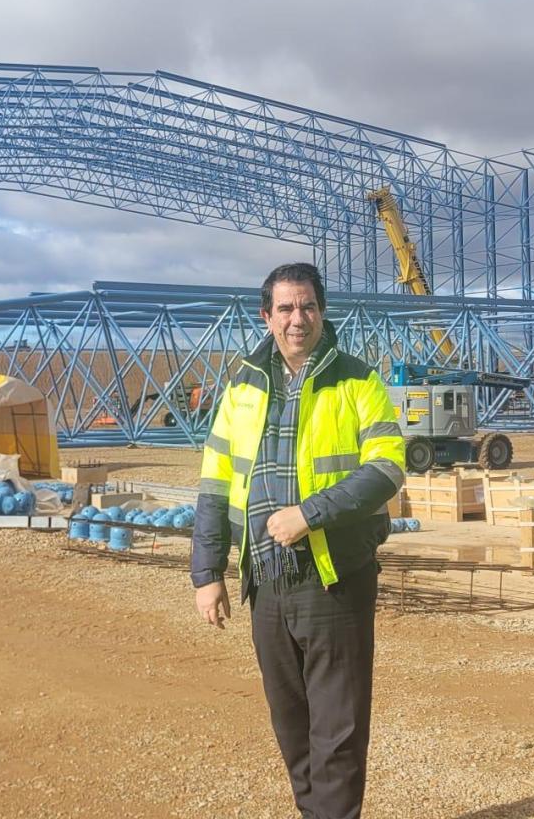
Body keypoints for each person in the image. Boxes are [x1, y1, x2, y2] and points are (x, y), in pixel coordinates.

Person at [191, 262, 407, 819]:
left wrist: (311, 514)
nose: (297, 319)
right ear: (266, 317)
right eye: (285, 308)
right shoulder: (242, 386)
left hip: (333, 575)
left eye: (307, 306)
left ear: (322, 312)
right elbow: (215, 485)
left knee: (337, 725)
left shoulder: (357, 380)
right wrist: (207, 572)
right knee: (290, 722)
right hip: (265, 579)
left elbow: (387, 466)